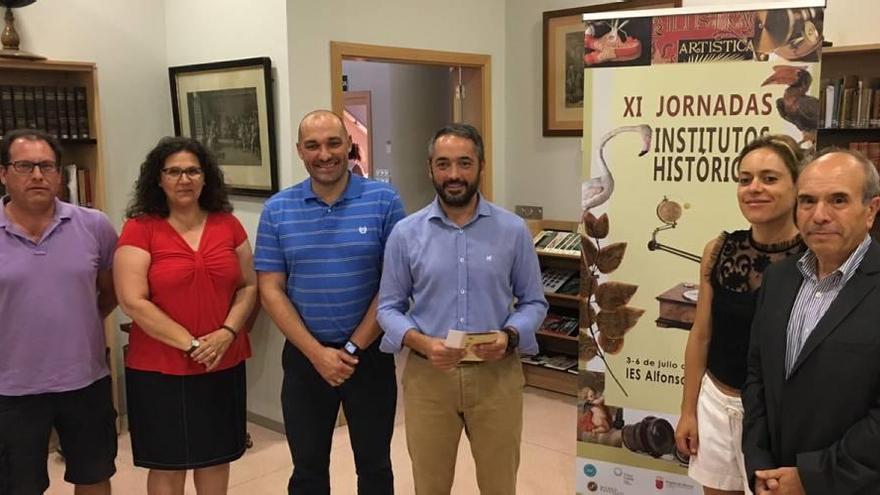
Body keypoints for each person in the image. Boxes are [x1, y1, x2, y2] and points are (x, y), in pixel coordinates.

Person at [377, 123, 548, 494]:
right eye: (443, 164)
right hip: (428, 379)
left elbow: (534, 301)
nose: (454, 175)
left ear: (481, 166)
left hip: (496, 376)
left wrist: (511, 335)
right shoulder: (406, 234)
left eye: (464, 163)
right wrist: (422, 343)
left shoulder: (513, 230)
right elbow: (388, 308)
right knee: (430, 485)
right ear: (430, 169)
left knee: (499, 484)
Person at [255, 110, 405, 495]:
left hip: (368, 357)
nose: (324, 154)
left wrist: (352, 348)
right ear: (300, 152)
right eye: (313, 145)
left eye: (333, 143)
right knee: (307, 470)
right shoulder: (277, 210)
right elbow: (270, 289)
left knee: (375, 467)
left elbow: (395, 283)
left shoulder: (384, 200)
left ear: (349, 145)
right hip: (306, 358)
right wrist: (318, 353)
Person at [114, 136, 257, 495]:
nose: (184, 179)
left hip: (222, 360)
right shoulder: (140, 228)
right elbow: (133, 301)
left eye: (193, 170)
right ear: (158, 179)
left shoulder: (228, 225)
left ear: (205, 177)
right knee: (168, 465)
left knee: (215, 457)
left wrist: (226, 332)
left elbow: (249, 286)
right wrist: (192, 344)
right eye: (174, 171)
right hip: (159, 367)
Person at [742, 148, 880, 494]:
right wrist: (760, 466)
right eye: (807, 201)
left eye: (838, 200)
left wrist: (811, 477)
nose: (819, 215)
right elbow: (758, 377)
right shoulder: (778, 279)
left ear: (871, 210)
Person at [674, 134, 806, 495]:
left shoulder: (814, 257)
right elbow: (701, 334)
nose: (754, 188)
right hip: (717, 402)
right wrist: (688, 412)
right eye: (745, 178)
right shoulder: (718, 250)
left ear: (797, 186)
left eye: (769, 178)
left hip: (777, 416)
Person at [0, 129, 118, 494]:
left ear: (58, 173)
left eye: (47, 166)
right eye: (24, 166)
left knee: (94, 476)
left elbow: (110, 291)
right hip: (11, 388)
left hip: (85, 379)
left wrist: (77, 321)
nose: (37, 175)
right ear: (3, 173)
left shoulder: (94, 225)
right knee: (18, 485)